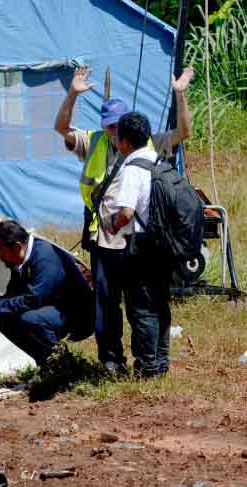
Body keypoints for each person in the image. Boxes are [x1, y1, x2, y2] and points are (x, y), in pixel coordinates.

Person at [53, 65, 193, 374]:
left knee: (141, 305)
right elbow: (62, 128)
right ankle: (112, 360)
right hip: (105, 239)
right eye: (108, 126)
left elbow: (183, 132)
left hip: (138, 240)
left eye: (117, 126)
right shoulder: (93, 142)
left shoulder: (147, 142)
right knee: (106, 303)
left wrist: (180, 95)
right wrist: (72, 94)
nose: (113, 133)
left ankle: (149, 361)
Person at [0, 221, 92, 366]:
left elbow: (34, 299)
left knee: (27, 317)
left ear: (17, 247)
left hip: (76, 313)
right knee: (3, 314)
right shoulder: (20, 258)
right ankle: (48, 363)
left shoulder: (44, 257)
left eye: (1, 251)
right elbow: (15, 293)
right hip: (52, 305)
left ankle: (63, 362)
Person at [107, 112, 172, 378]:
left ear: (124, 142)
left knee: (141, 309)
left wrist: (112, 225)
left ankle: (147, 367)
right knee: (160, 304)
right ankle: (161, 360)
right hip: (165, 244)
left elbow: (126, 212)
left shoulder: (132, 169)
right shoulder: (159, 162)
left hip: (141, 247)